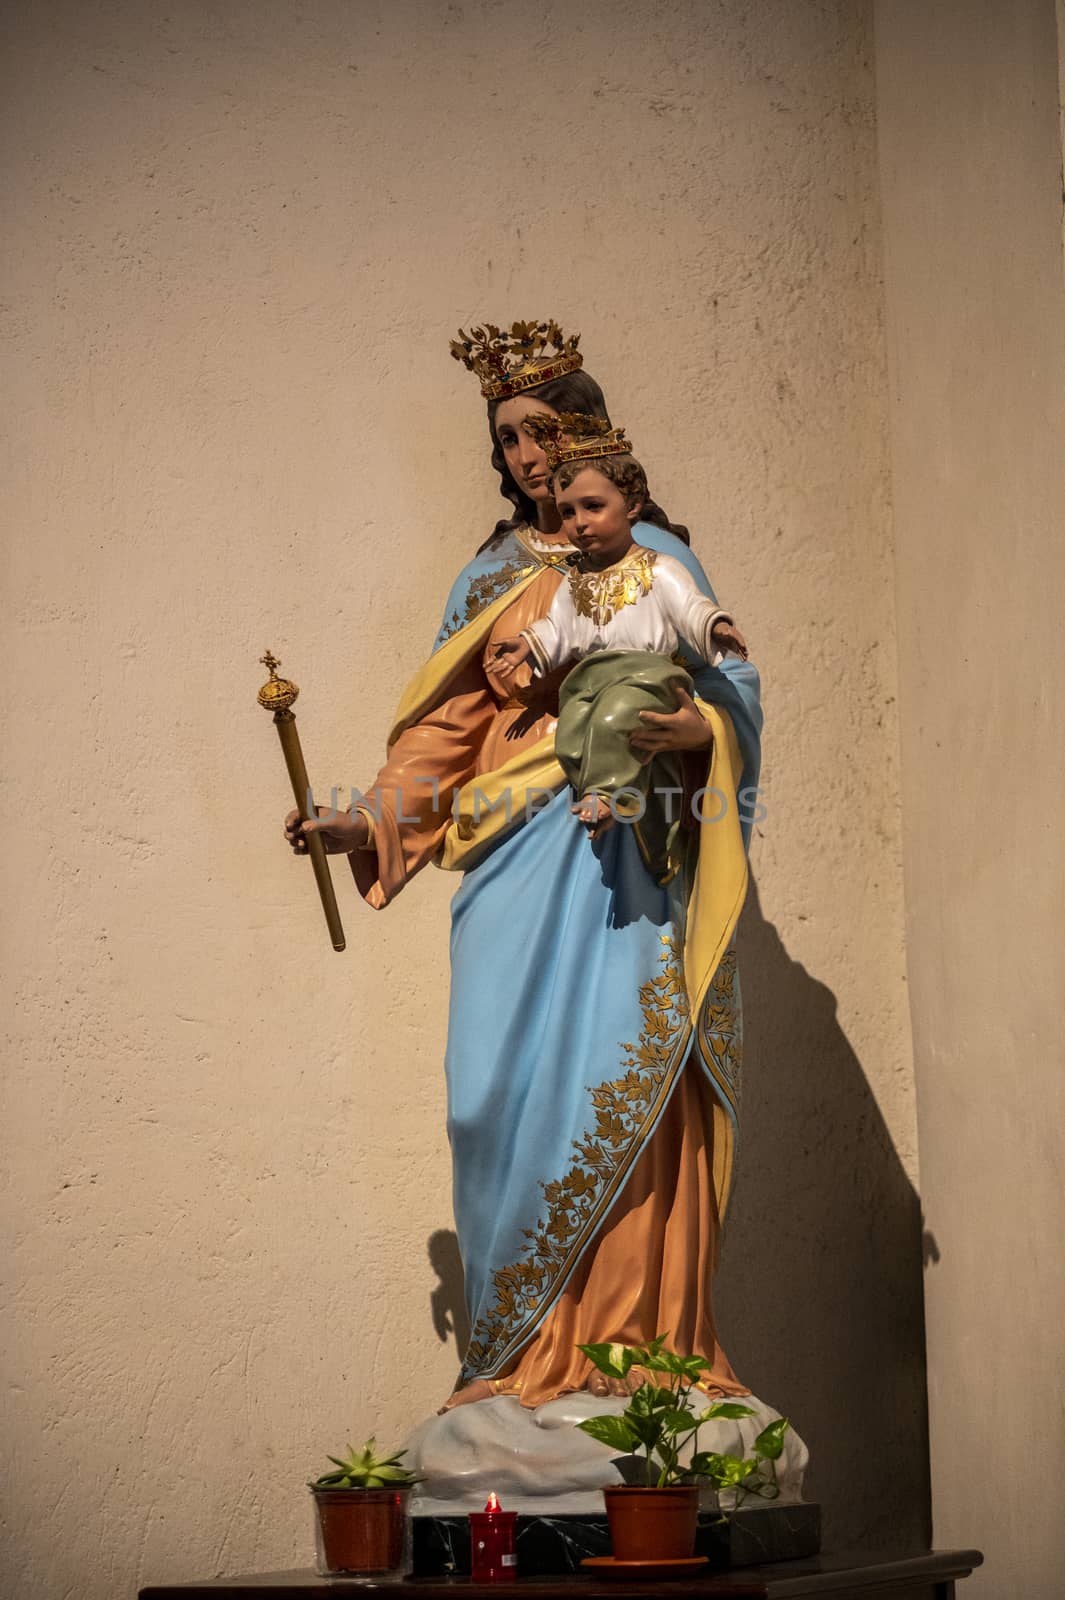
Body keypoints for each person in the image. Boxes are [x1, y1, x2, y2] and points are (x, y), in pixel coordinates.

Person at [285, 321, 762, 1408]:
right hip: (511, 852)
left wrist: (702, 737)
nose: (530, 455)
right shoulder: (493, 576)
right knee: (490, 1095)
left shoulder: (659, 561)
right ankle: (510, 1365)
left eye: (545, 430)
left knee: (623, 1086)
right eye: (508, 439)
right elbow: (444, 737)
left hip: (629, 863)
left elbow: (732, 688)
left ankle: (633, 1367)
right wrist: (366, 823)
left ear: (590, 431)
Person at [493, 411, 748, 881]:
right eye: (568, 511)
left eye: (593, 506)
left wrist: (715, 628)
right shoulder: (575, 580)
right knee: (573, 735)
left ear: (631, 505)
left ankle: (613, 797)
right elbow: (557, 628)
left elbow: (691, 608)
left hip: (646, 676)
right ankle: (599, 786)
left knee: (615, 720)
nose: (579, 523)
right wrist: (527, 646)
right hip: (591, 678)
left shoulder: (661, 567)